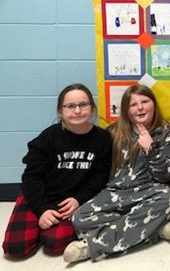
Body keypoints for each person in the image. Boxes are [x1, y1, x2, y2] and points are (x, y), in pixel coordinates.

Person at [64, 85, 170, 263]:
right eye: (133, 104)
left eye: (145, 102)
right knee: (79, 219)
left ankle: (90, 247)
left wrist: (150, 149)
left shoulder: (166, 133)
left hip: (148, 192)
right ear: (126, 110)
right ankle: (152, 228)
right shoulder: (112, 132)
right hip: (115, 192)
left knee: (168, 197)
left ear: (153, 104)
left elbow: (165, 177)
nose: (140, 107)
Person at [2, 84, 112, 259]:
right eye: (70, 106)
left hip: (69, 201)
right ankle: (36, 228)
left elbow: (100, 177)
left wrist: (79, 199)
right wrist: (41, 209)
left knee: (55, 244)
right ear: (60, 111)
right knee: (14, 248)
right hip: (40, 194)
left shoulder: (103, 139)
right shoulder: (47, 138)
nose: (77, 110)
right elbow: (31, 177)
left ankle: (43, 232)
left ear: (92, 109)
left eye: (83, 105)